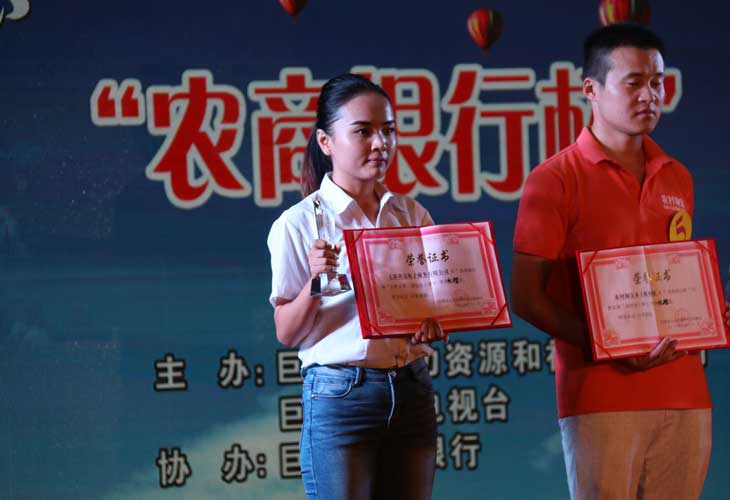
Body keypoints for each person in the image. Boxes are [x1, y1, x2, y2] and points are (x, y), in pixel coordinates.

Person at [510, 23, 730, 500]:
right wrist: (604, 344)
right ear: (590, 89)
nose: (649, 95)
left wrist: (709, 313)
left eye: (657, 82)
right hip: (601, 396)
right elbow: (526, 296)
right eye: (634, 82)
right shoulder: (554, 179)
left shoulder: (677, 175)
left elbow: (673, 278)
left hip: (686, 394)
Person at [267, 73, 446, 500]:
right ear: (325, 142)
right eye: (363, 132)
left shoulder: (412, 215)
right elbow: (286, 332)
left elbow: (435, 304)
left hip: (411, 386)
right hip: (340, 394)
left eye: (388, 130)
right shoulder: (298, 223)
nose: (381, 143)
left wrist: (433, 323)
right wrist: (314, 283)